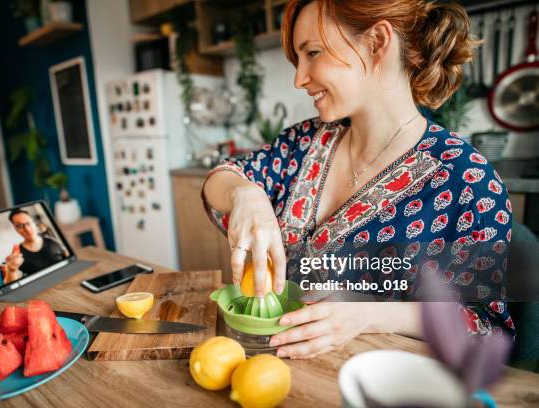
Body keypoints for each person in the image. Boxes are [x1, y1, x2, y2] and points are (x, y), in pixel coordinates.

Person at [202, 0, 514, 359]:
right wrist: (245, 192)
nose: (299, 78)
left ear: (378, 41)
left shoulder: (466, 180)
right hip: (277, 369)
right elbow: (220, 180)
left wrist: (367, 315)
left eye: (313, 53)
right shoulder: (303, 141)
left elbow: (486, 329)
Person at [3, 209, 68, 284]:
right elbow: (10, 285)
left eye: (28, 223)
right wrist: (11, 271)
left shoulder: (52, 241)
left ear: (34, 223)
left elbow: (68, 257)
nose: (27, 229)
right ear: (16, 229)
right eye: (20, 226)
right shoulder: (17, 254)